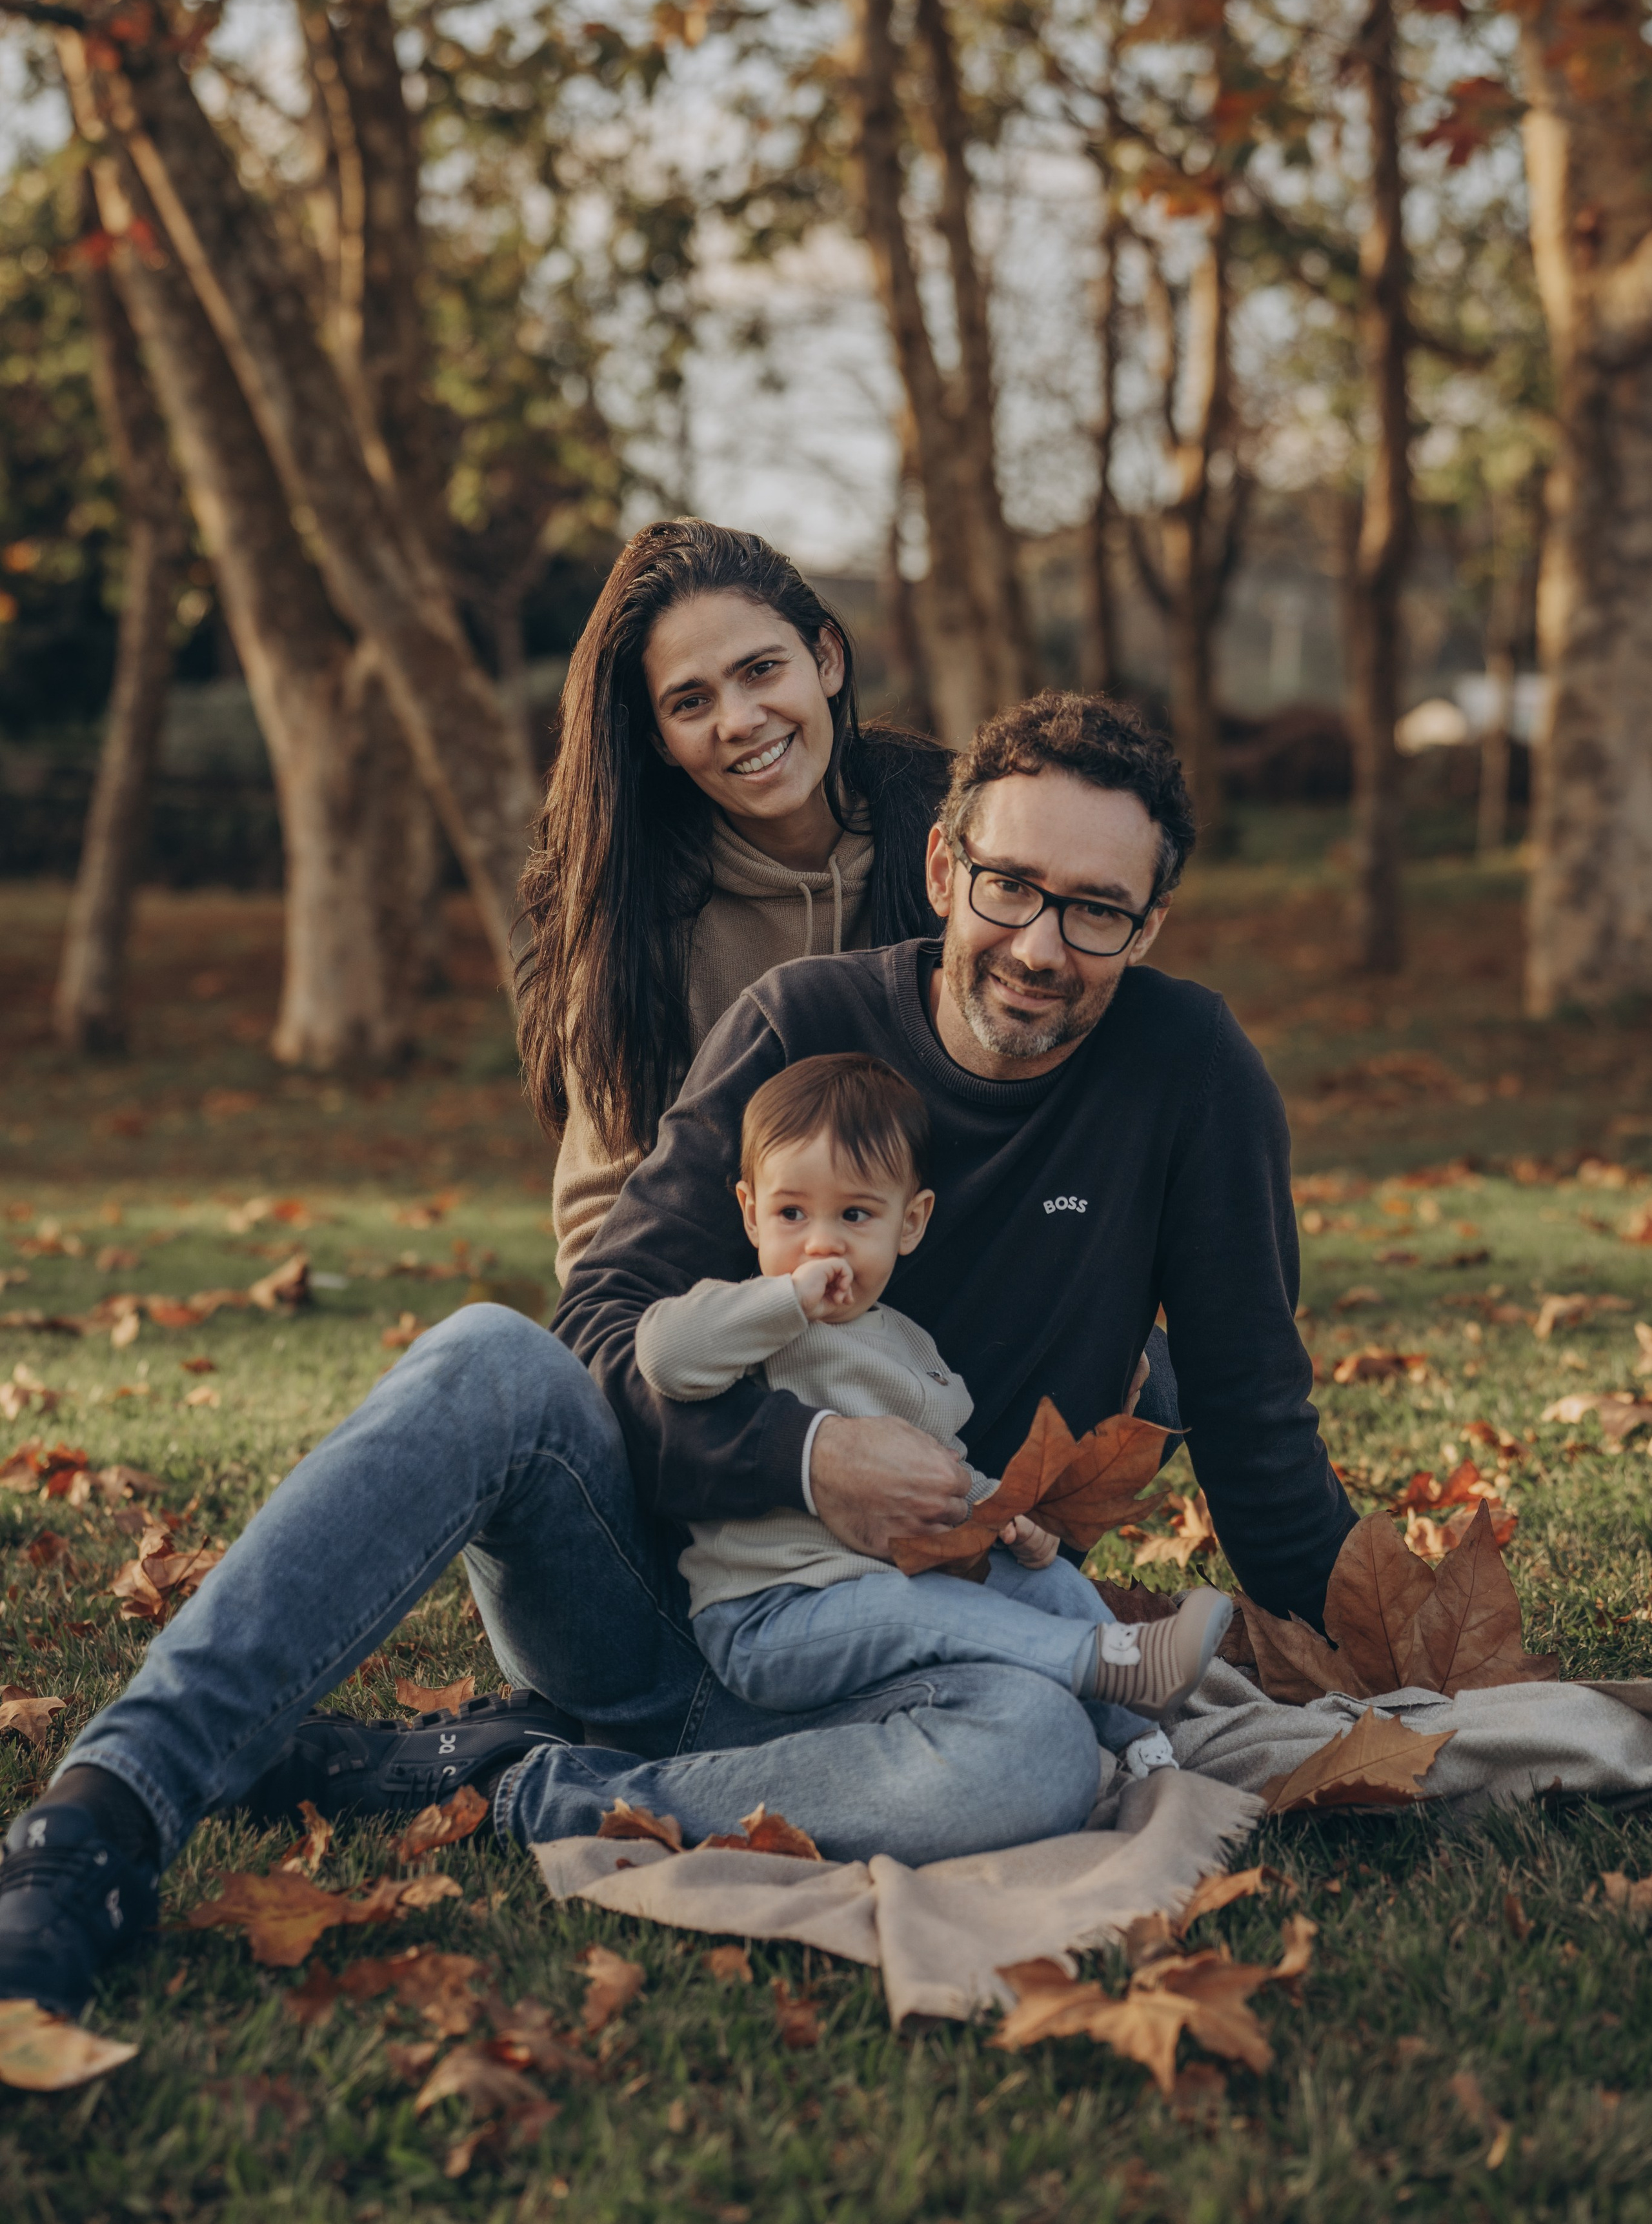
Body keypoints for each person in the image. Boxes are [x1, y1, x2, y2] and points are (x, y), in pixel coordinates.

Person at [0, 687, 1354, 2021]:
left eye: (1094, 909)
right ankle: (101, 1816)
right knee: (489, 1355)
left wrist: (1392, 1657)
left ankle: (513, 1782)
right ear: (944, 867)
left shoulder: (1188, 1072)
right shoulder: (799, 1022)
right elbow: (599, 1330)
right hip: (665, 1600)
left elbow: (1251, 1420)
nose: (1040, 944)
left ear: (1149, 921)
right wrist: (803, 1457)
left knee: (1036, 1760)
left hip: (918, 1653)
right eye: (1008, 884)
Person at [638, 1049, 1231, 1756]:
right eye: (790, 1212)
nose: (820, 1241)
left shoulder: (913, 1351)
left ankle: (1139, 1743)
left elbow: (942, 1473)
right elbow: (666, 1358)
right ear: (750, 1213)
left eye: (854, 1214)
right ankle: (1101, 1661)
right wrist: (785, 1298)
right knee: (915, 1608)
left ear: (910, 1223)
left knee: (1052, 1584)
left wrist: (1007, 1521)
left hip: (902, 1589)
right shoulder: (748, 1321)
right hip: (771, 1616)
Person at [518, 518, 949, 1273]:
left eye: (760, 670)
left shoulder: (961, 845)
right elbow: (602, 1230)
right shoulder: (635, 927)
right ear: (658, 740)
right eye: (689, 702)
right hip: (737, 1336)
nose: (739, 722)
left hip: (963, 1322)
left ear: (826, 658)